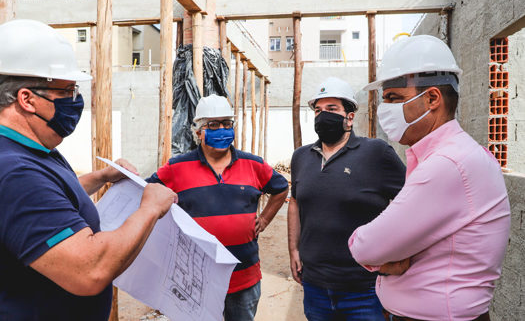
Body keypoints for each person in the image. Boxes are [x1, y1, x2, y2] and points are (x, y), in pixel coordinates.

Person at [0, 19, 176, 320]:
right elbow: (90, 269)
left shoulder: (31, 149)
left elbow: (45, 204)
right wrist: (150, 209)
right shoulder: (16, 171)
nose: (76, 102)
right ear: (27, 98)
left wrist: (101, 177)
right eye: (66, 92)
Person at [348, 35, 511, 321]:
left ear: (432, 98)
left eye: (394, 98)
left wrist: (380, 255)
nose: (386, 109)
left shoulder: (448, 164)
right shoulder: (454, 155)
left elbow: (366, 246)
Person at [147, 94, 289, 321]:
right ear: (198, 132)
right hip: (196, 281)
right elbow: (147, 193)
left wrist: (263, 219)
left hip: (244, 278)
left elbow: (281, 189)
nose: (221, 129)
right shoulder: (177, 168)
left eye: (226, 123)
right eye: (213, 124)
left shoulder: (254, 164)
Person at [288, 77, 406, 321]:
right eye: (318, 110)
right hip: (315, 286)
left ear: (349, 117)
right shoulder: (301, 157)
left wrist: (400, 255)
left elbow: (410, 203)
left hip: (364, 289)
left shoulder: (376, 153)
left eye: (331, 109)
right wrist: (293, 249)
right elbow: (295, 202)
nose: (323, 116)